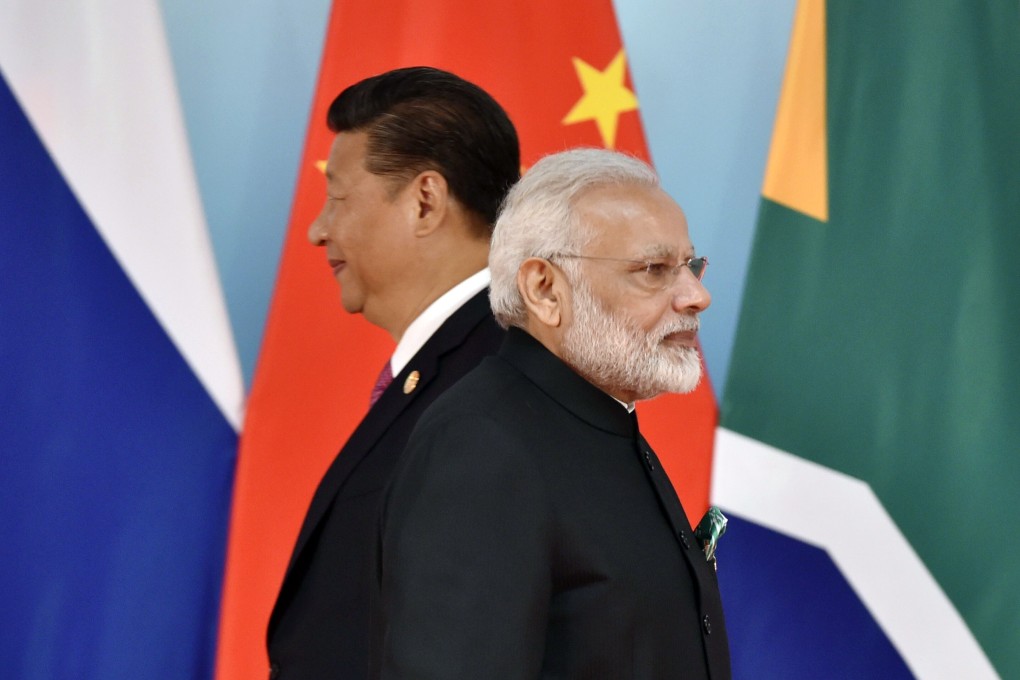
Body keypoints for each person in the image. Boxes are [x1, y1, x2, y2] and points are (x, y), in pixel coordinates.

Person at [373, 148, 731, 679]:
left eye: (690, 266)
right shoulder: (480, 447)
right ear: (544, 290)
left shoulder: (595, 423)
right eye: (654, 270)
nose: (697, 295)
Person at [266, 66, 520, 680]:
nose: (317, 229)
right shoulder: (467, 367)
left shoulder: (492, 389)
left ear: (425, 201)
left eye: (338, 198)